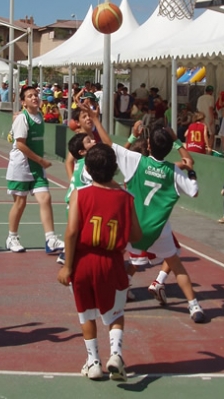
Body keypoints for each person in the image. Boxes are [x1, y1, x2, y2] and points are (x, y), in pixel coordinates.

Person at [87, 105, 207, 323]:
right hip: (157, 230)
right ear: (170, 147)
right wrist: (190, 169)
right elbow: (195, 191)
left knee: (111, 260)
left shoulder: (136, 161)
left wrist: (96, 119)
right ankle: (194, 306)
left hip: (131, 226)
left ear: (149, 145)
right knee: (176, 263)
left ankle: (104, 298)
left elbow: (109, 144)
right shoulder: (174, 171)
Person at [57, 144, 142, 382]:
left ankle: (93, 362)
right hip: (111, 263)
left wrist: (67, 266)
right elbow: (136, 235)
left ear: (87, 170)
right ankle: (115, 354)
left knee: (86, 314)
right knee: (115, 315)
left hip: (83, 262)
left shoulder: (79, 194)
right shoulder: (125, 198)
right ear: (115, 169)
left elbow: (72, 232)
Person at [5, 86, 64, 254]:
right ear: (23, 102)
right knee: (20, 203)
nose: (34, 97)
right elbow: (21, 144)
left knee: (45, 198)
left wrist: (39, 162)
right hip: (21, 166)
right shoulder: (22, 119)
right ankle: (12, 237)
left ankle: (51, 239)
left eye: (36, 95)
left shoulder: (39, 116)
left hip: (37, 167)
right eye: (30, 96)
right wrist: (41, 160)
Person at [196, 85, 216, 150]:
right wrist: (212, 118)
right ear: (211, 92)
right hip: (208, 117)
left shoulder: (200, 98)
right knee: (211, 134)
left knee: (202, 132)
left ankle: (202, 146)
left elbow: (198, 109)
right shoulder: (211, 98)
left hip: (201, 117)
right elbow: (210, 108)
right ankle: (210, 148)